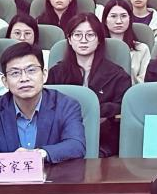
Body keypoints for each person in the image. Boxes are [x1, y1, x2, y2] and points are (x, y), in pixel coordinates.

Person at [0, 42, 86, 164]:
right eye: (15, 73)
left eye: (31, 70)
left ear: (44, 75)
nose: (24, 78)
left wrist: (38, 155)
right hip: (8, 183)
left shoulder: (66, 105)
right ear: (5, 81)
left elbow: (76, 145)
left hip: (53, 182)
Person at [46, 14, 130, 156]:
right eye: (77, 35)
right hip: (61, 138)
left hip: (102, 140)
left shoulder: (118, 75)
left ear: (99, 40)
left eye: (90, 35)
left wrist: (101, 110)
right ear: (69, 39)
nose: (83, 40)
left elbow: (123, 109)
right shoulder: (56, 73)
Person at [101, 0, 151, 84]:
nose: (119, 21)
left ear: (130, 19)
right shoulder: (96, 47)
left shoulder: (142, 49)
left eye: (123, 16)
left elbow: (145, 82)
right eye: (113, 16)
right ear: (105, 20)